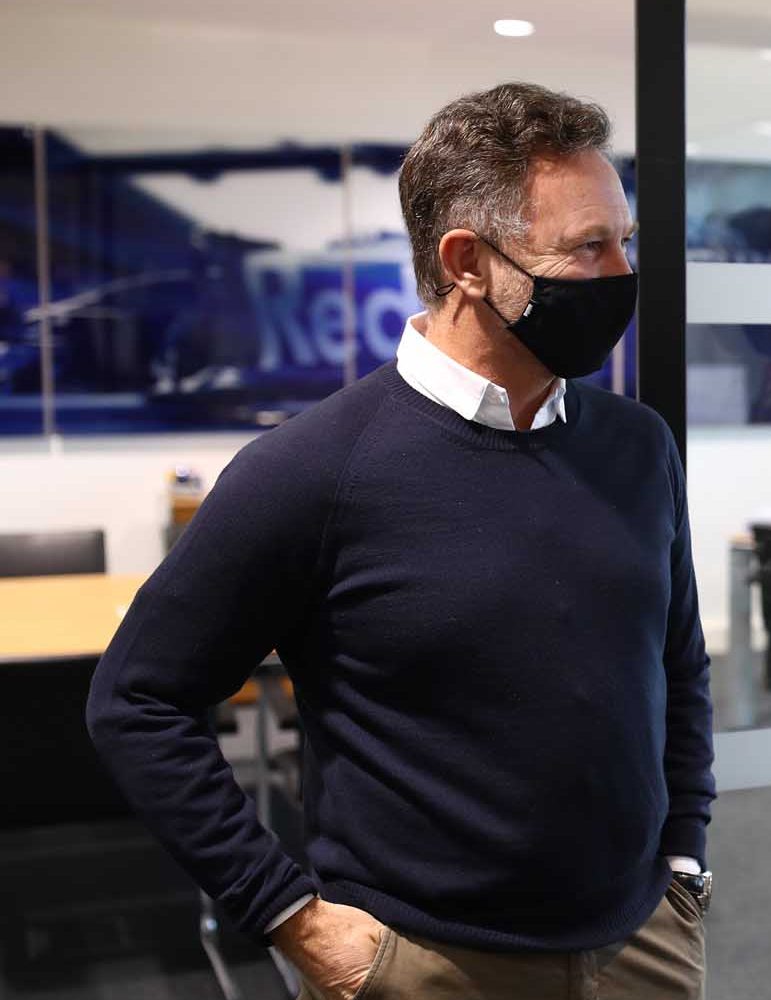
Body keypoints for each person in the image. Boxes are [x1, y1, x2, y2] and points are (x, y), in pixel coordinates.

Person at [86, 82, 714, 999]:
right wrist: (290, 918)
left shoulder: (638, 445)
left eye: (626, 242)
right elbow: (136, 703)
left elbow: (677, 662)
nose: (620, 271)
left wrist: (687, 857)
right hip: (423, 967)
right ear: (467, 262)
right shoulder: (312, 471)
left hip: (643, 943)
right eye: (588, 246)